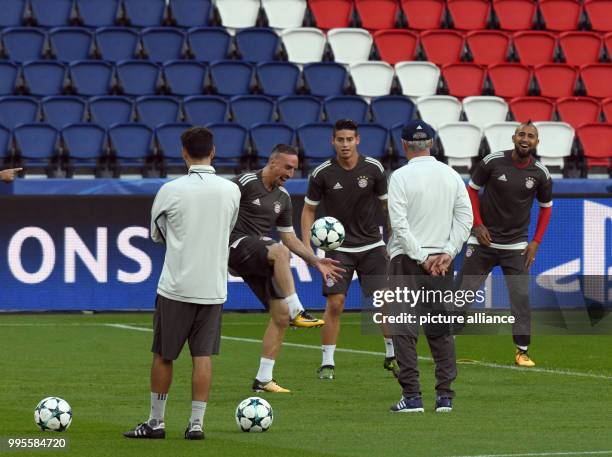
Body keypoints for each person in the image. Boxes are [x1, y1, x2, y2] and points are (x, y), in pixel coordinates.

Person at [124, 127, 241, 440]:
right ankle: (196, 424)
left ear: (184, 153)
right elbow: (228, 229)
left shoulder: (170, 190)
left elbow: (156, 234)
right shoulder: (231, 190)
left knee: (164, 354)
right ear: (213, 151)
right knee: (202, 356)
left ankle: (156, 422)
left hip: (176, 285)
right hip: (214, 287)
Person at [229, 144, 344, 393]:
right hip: (233, 245)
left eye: (294, 169)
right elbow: (217, 207)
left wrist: (315, 261)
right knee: (280, 251)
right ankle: (298, 309)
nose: (291, 174)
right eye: (287, 167)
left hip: (256, 254)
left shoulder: (283, 198)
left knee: (279, 316)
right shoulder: (245, 182)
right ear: (272, 163)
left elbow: (290, 238)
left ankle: (263, 379)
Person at [300, 119, 398, 380]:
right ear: (333, 141)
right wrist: (307, 246)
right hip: (338, 249)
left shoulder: (374, 168)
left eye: (349, 139)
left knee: (384, 301)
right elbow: (308, 210)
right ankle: (327, 362)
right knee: (336, 303)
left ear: (358, 140)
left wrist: (392, 240)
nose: (345, 144)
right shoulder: (322, 173)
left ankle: (392, 354)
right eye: (340, 139)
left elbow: (388, 208)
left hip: (373, 246)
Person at [387, 120, 472, 413]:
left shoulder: (399, 177)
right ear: (431, 144)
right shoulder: (451, 175)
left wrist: (420, 257)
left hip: (407, 262)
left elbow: (398, 224)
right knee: (440, 329)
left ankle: (412, 397)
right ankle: (444, 396)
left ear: (403, 145)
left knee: (404, 328)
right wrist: (448, 252)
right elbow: (465, 220)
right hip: (442, 263)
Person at [457, 121, 553, 367]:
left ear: (536, 143)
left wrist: (536, 242)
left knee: (520, 296)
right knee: (461, 293)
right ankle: (445, 346)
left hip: (515, 245)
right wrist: (477, 225)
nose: (525, 138)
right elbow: (470, 191)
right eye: (521, 134)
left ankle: (522, 351)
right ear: (514, 137)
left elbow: (546, 209)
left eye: (530, 136)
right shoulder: (492, 162)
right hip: (482, 241)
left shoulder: (541, 173)